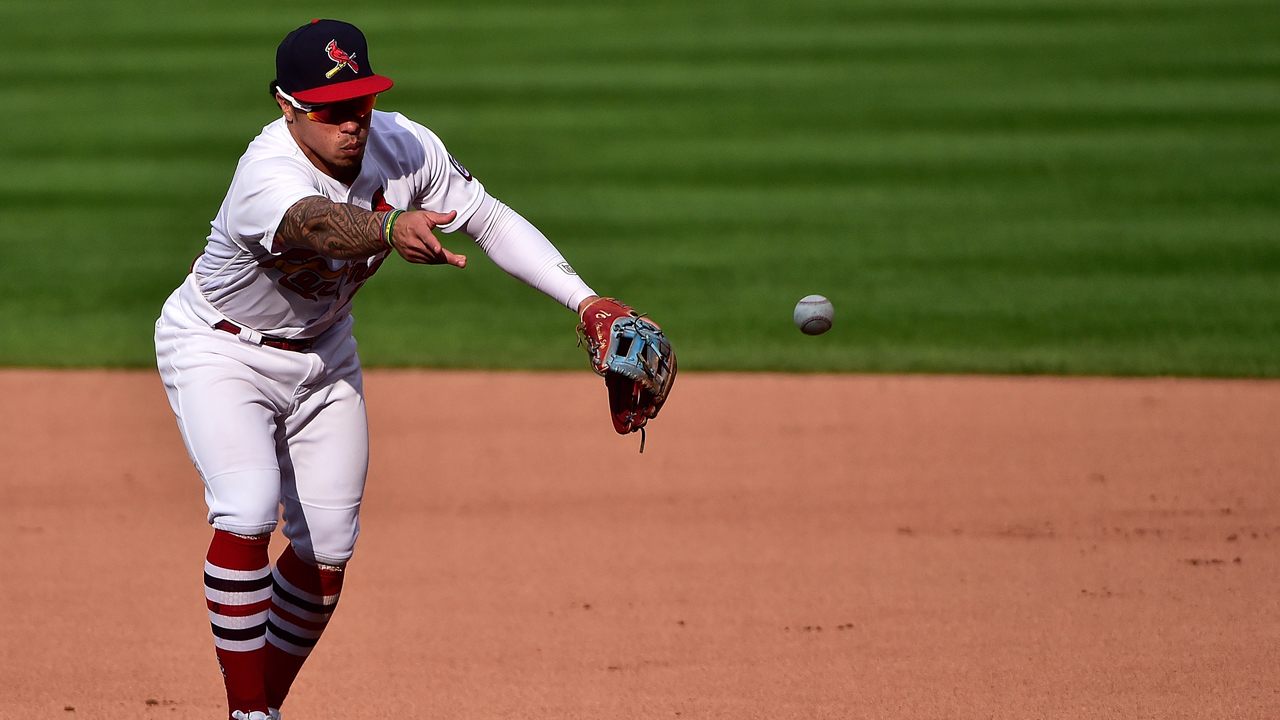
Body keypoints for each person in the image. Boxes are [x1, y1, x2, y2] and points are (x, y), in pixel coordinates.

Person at [154, 19, 617, 720]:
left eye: (360, 101)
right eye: (329, 109)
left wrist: (586, 302)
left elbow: (488, 220)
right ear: (286, 106)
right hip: (221, 349)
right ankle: (247, 714)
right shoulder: (265, 172)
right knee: (246, 509)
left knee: (329, 548)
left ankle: (261, 708)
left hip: (324, 350)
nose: (351, 122)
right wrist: (390, 228)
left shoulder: (406, 148)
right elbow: (313, 224)